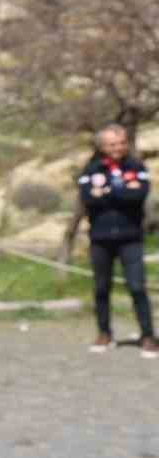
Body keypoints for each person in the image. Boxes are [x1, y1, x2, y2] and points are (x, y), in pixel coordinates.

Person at [78, 124, 157, 357]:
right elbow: (88, 200)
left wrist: (105, 192)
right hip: (101, 238)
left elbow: (139, 195)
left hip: (130, 238)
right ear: (102, 146)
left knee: (137, 287)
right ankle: (104, 333)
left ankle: (148, 336)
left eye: (121, 143)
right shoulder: (91, 169)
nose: (118, 148)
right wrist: (120, 189)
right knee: (102, 288)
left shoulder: (136, 166)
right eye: (112, 144)